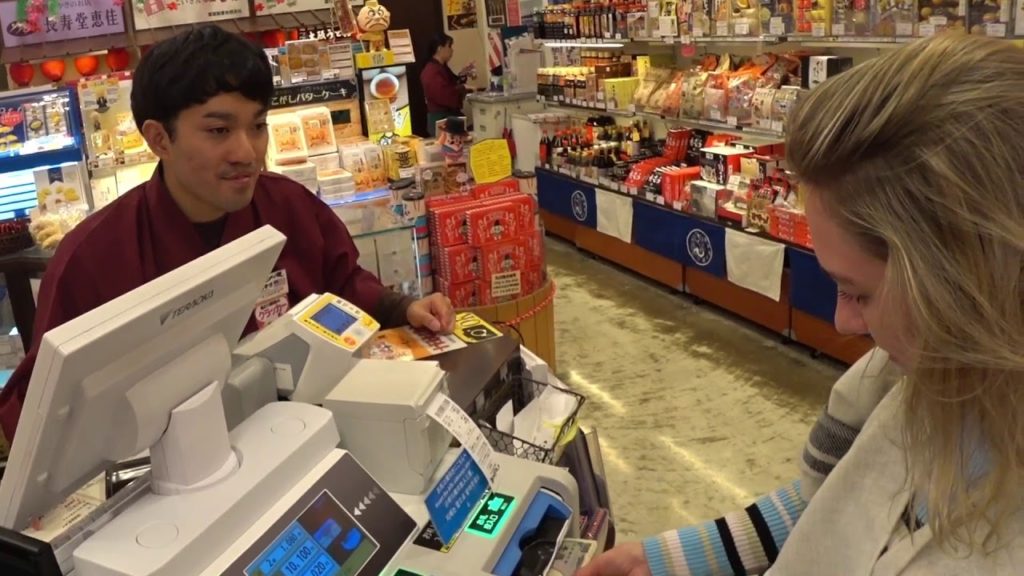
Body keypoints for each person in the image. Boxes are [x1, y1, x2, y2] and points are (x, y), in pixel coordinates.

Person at [580, 33, 1024, 575]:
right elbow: (837, 500)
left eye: (859, 292)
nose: (843, 321)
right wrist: (675, 559)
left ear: (978, 279)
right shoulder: (927, 374)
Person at [0, 26, 455, 448]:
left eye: (257, 126)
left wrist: (403, 308)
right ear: (159, 139)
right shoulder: (94, 257)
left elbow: (342, 284)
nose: (247, 152)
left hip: (303, 442)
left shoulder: (288, 207)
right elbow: (37, 416)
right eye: (219, 130)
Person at [420, 33, 472, 137]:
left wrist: (462, 74)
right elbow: (444, 94)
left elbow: (451, 83)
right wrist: (463, 88)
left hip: (449, 118)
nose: (452, 50)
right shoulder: (431, 71)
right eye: (449, 46)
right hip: (441, 119)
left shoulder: (440, 67)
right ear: (440, 48)